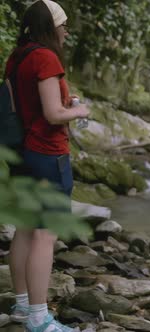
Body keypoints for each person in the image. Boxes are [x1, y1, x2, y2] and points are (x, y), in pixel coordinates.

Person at [4, 1, 90, 331]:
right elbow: (54, 114)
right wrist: (79, 112)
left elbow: (33, 104)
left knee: (25, 229)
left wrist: (63, 104)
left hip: (22, 153)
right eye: (63, 24)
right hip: (47, 155)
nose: (66, 30)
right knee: (44, 234)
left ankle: (23, 307)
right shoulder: (46, 57)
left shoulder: (18, 56)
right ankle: (40, 319)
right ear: (49, 27)